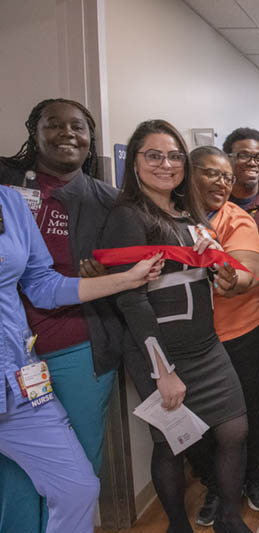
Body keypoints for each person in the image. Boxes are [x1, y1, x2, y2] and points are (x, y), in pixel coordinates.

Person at [100, 119, 251, 533]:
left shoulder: (189, 214)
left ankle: (229, 517)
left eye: (173, 156)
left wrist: (217, 258)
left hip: (205, 345)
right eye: (153, 155)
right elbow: (130, 297)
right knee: (172, 443)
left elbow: (203, 277)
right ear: (134, 162)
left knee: (234, 429)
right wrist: (162, 371)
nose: (165, 164)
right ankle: (177, 526)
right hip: (159, 351)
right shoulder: (127, 216)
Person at [0, 184, 162, 533]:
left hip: (17, 383)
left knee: (77, 489)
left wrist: (126, 280)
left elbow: (41, 283)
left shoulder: (9, 201)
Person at [0, 98, 121, 533]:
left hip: (73, 344)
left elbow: (46, 279)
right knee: (14, 473)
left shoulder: (108, 199)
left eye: (78, 126)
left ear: (91, 140)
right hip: (14, 347)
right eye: (54, 125)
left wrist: (112, 272)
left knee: (73, 467)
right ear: (34, 132)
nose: (67, 133)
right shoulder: (8, 185)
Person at [185, 146, 259, 526]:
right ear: (190, 175)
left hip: (241, 332)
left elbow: (250, 267)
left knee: (247, 413)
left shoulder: (237, 219)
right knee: (198, 422)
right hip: (189, 342)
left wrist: (235, 280)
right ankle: (215, 487)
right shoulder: (169, 218)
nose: (222, 183)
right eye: (211, 174)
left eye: (227, 177)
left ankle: (252, 478)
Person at [222, 128, 259, 472]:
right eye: (242, 155)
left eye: (258, 157)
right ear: (227, 157)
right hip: (228, 307)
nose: (251, 163)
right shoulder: (214, 198)